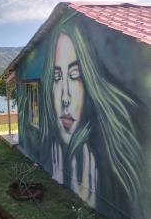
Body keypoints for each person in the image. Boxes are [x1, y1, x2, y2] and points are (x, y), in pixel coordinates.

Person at [40, 16, 143, 219]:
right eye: (58, 77)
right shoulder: (48, 144)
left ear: (91, 81)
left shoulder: (116, 172)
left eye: (75, 75)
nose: (65, 97)